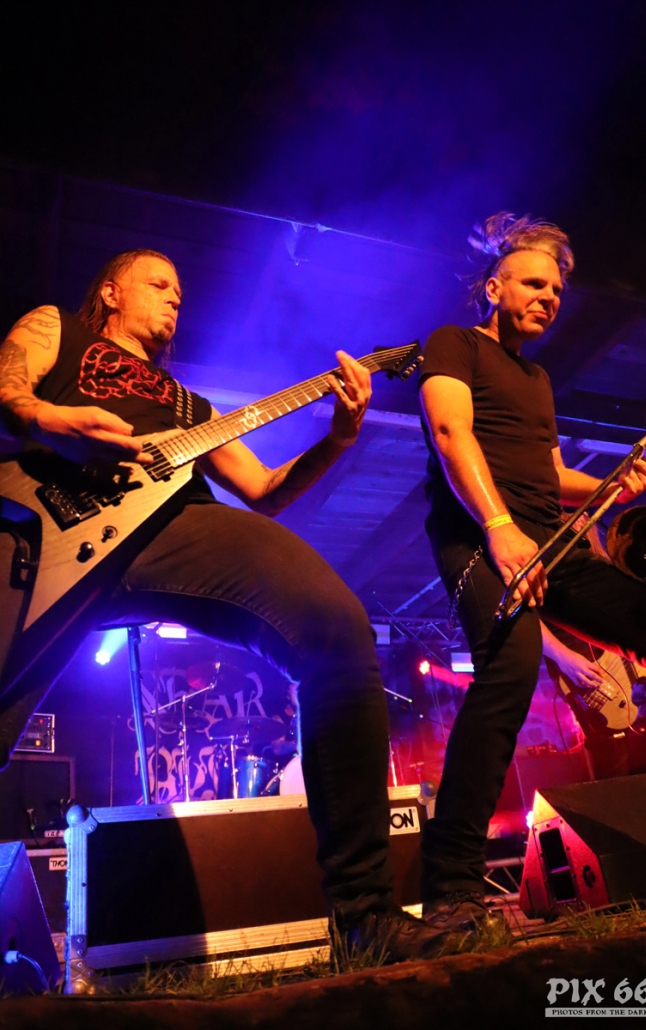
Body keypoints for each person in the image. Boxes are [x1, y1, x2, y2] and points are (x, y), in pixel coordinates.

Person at [0, 248, 455, 963]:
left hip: (169, 529)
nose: (174, 298)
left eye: (180, 293)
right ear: (111, 291)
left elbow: (265, 490)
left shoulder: (192, 411)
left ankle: (366, 921)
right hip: (35, 528)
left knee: (336, 629)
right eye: (158, 284)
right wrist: (51, 420)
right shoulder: (57, 326)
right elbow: (11, 390)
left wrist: (338, 439)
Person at [418, 213, 646, 932]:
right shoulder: (454, 344)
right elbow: (450, 433)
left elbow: (549, 475)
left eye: (557, 290)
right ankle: (450, 890)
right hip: (479, 536)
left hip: (554, 542)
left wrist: (614, 486)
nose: (549, 298)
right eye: (534, 284)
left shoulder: (536, 378)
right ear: (493, 286)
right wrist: (499, 527)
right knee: (507, 675)